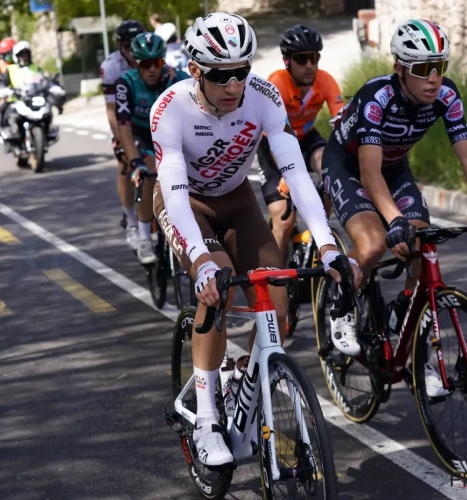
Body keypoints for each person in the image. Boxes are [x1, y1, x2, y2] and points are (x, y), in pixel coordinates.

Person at [150, 12, 363, 467]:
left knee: (279, 300)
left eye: (241, 71)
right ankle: (207, 418)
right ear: (195, 71)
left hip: (238, 200)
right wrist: (202, 261)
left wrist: (327, 244)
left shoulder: (263, 96)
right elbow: (173, 191)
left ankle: (245, 381)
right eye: (221, 75)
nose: (233, 85)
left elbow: (296, 174)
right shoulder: (170, 109)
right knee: (219, 284)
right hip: (186, 206)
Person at [321, 19, 467, 395]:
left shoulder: (446, 96)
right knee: (375, 244)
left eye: (439, 67)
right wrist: (393, 220)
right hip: (349, 165)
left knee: (422, 242)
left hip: (394, 168)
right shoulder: (377, 97)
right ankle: (341, 303)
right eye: (422, 69)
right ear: (399, 69)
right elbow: (368, 171)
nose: (434, 78)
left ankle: (407, 321)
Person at [257, 24, 345, 264]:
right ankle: (275, 278)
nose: (309, 65)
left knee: (327, 162)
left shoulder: (325, 81)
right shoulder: (275, 83)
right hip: (274, 144)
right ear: (287, 62)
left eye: (314, 58)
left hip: (305, 138)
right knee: (283, 222)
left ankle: (318, 237)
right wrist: (287, 173)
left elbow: (342, 123)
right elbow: (276, 136)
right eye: (302, 59)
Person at [116, 32, 189, 264]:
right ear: (136, 63)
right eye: (145, 64)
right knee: (148, 175)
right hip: (141, 136)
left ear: (163, 60)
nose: (151, 70)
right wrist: (136, 162)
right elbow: (124, 130)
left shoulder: (177, 78)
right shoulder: (126, 83)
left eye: (156, 63)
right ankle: (145, 238)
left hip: (170, 133)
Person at [100, 20, 146, 251]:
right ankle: (131, 221)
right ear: (119, 45)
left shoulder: (151, 58)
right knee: (125, 164)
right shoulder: (111, 67)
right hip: (123, 119)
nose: (132, 52)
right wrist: (121, 141)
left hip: (147, 116)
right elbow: (111, 111)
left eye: (135, 46)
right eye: (127, 46)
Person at [0, 37, 16, 141]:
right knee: (3, 108)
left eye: (8, 53)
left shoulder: (22, 61)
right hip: (9, 95)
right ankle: (2, 131)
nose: (7, 57)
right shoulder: (1, 65)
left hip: (26, 93)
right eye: (4, 54)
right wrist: (1, 89)